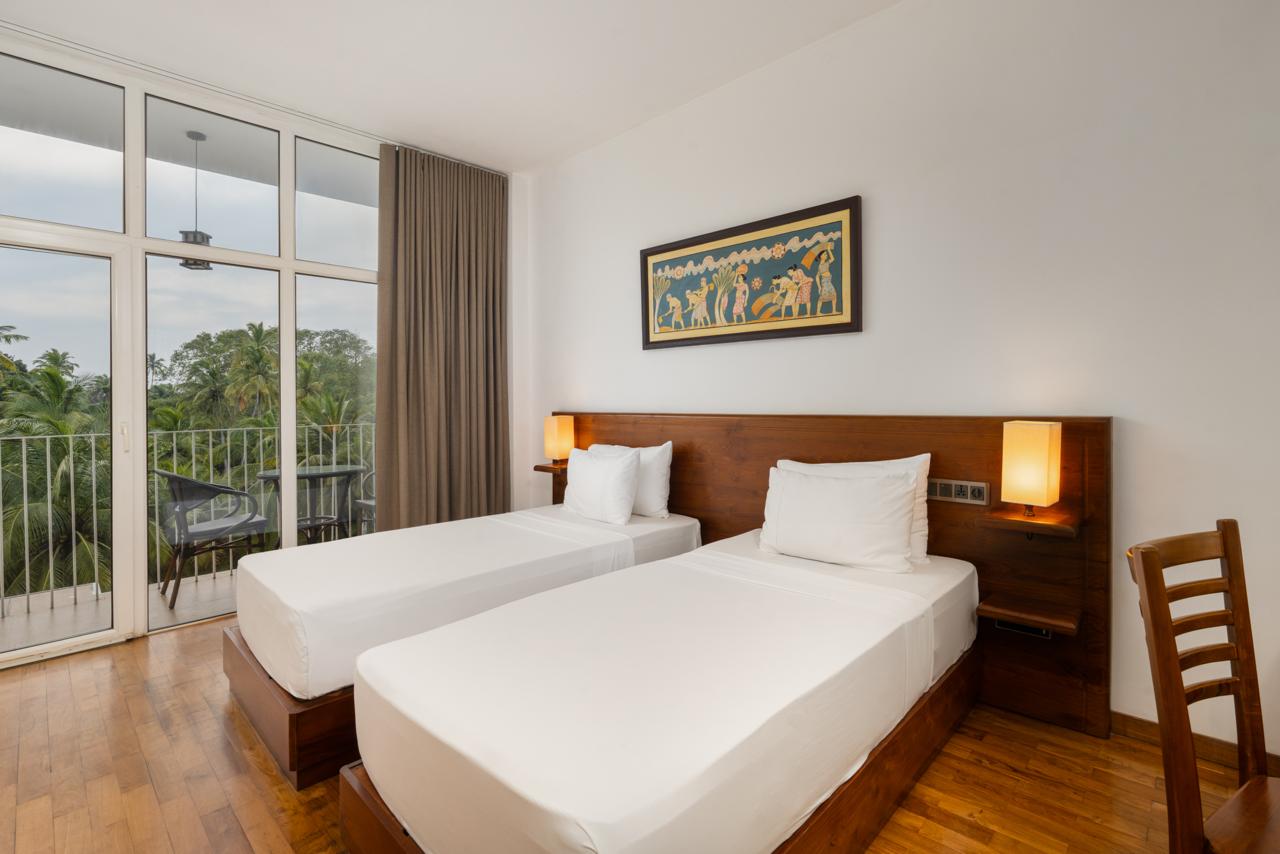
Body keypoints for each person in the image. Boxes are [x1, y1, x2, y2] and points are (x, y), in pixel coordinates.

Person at [815, 247, 838, 315]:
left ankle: (834, 311)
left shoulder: (825, 263)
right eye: (825, 254)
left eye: (826, 254)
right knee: (822, 297)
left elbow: (832, 259)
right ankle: (818, 312)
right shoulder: (821, 265)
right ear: (821, 256)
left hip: (828, 281)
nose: (826, 255)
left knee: (834, 295)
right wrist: (819, 287)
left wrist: (828, 250)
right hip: (825, 282)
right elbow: (817, 276)